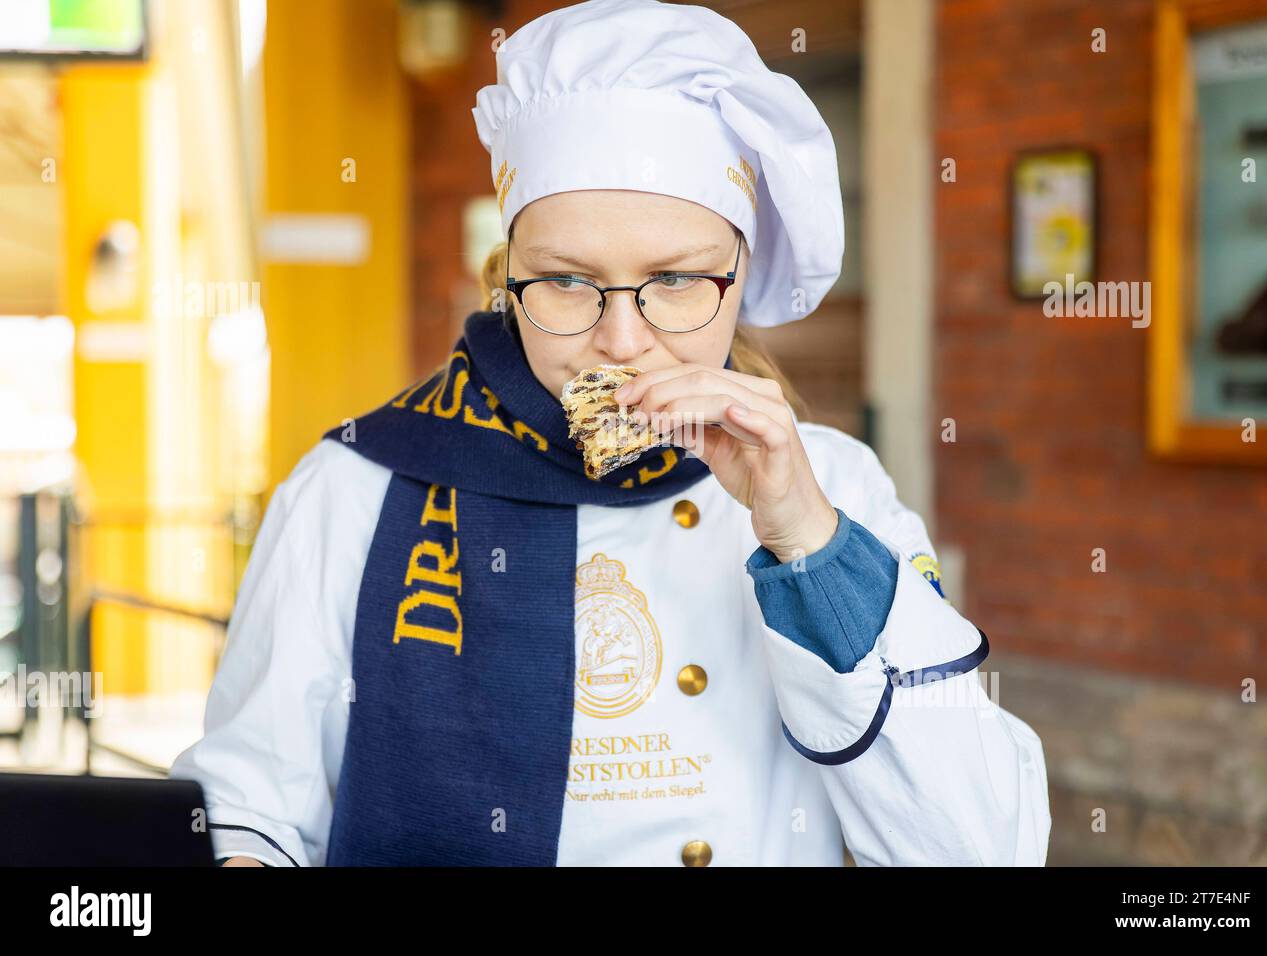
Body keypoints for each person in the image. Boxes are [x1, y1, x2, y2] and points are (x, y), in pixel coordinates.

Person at [171, 0, 1051, 867]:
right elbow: (252, 810)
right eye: (564, 283)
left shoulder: (837, 493)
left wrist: (807, 547)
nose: (622, 340)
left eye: (674, 280)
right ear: (505, 273)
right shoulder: (356, 485)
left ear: (739, 276)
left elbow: (980, 849)